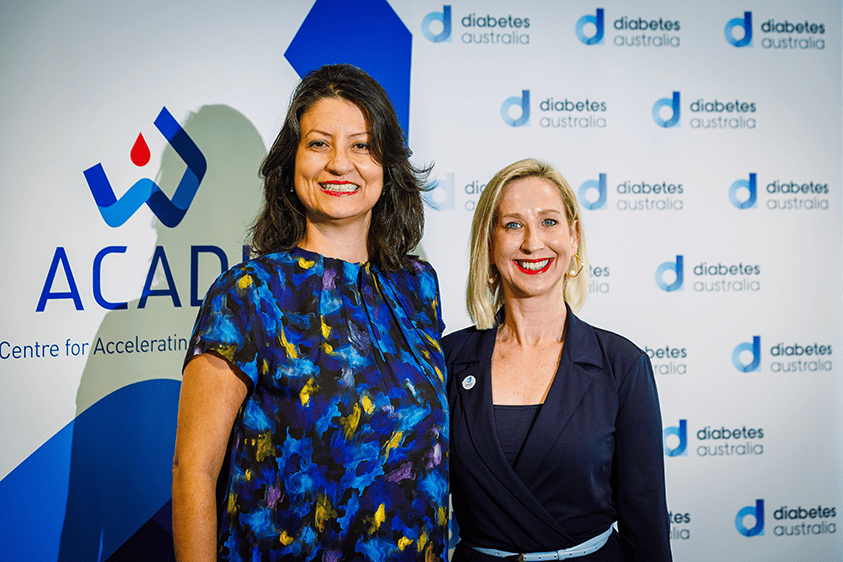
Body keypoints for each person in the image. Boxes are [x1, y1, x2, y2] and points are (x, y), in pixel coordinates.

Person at [172, 64, 449, 562]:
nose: (340, 164)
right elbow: (193, 470)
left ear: (387, 165)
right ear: (291, 162)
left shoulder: (417, 285)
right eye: (319, 143)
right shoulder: (249, 294)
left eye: (361, 145)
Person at [443, 159, 672, 561]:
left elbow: (646, 523)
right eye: (513, 225)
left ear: (574, 237)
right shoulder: (447, 360)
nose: (533, 243)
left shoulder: (622, 365)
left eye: (549, 222)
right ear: (490, 244)